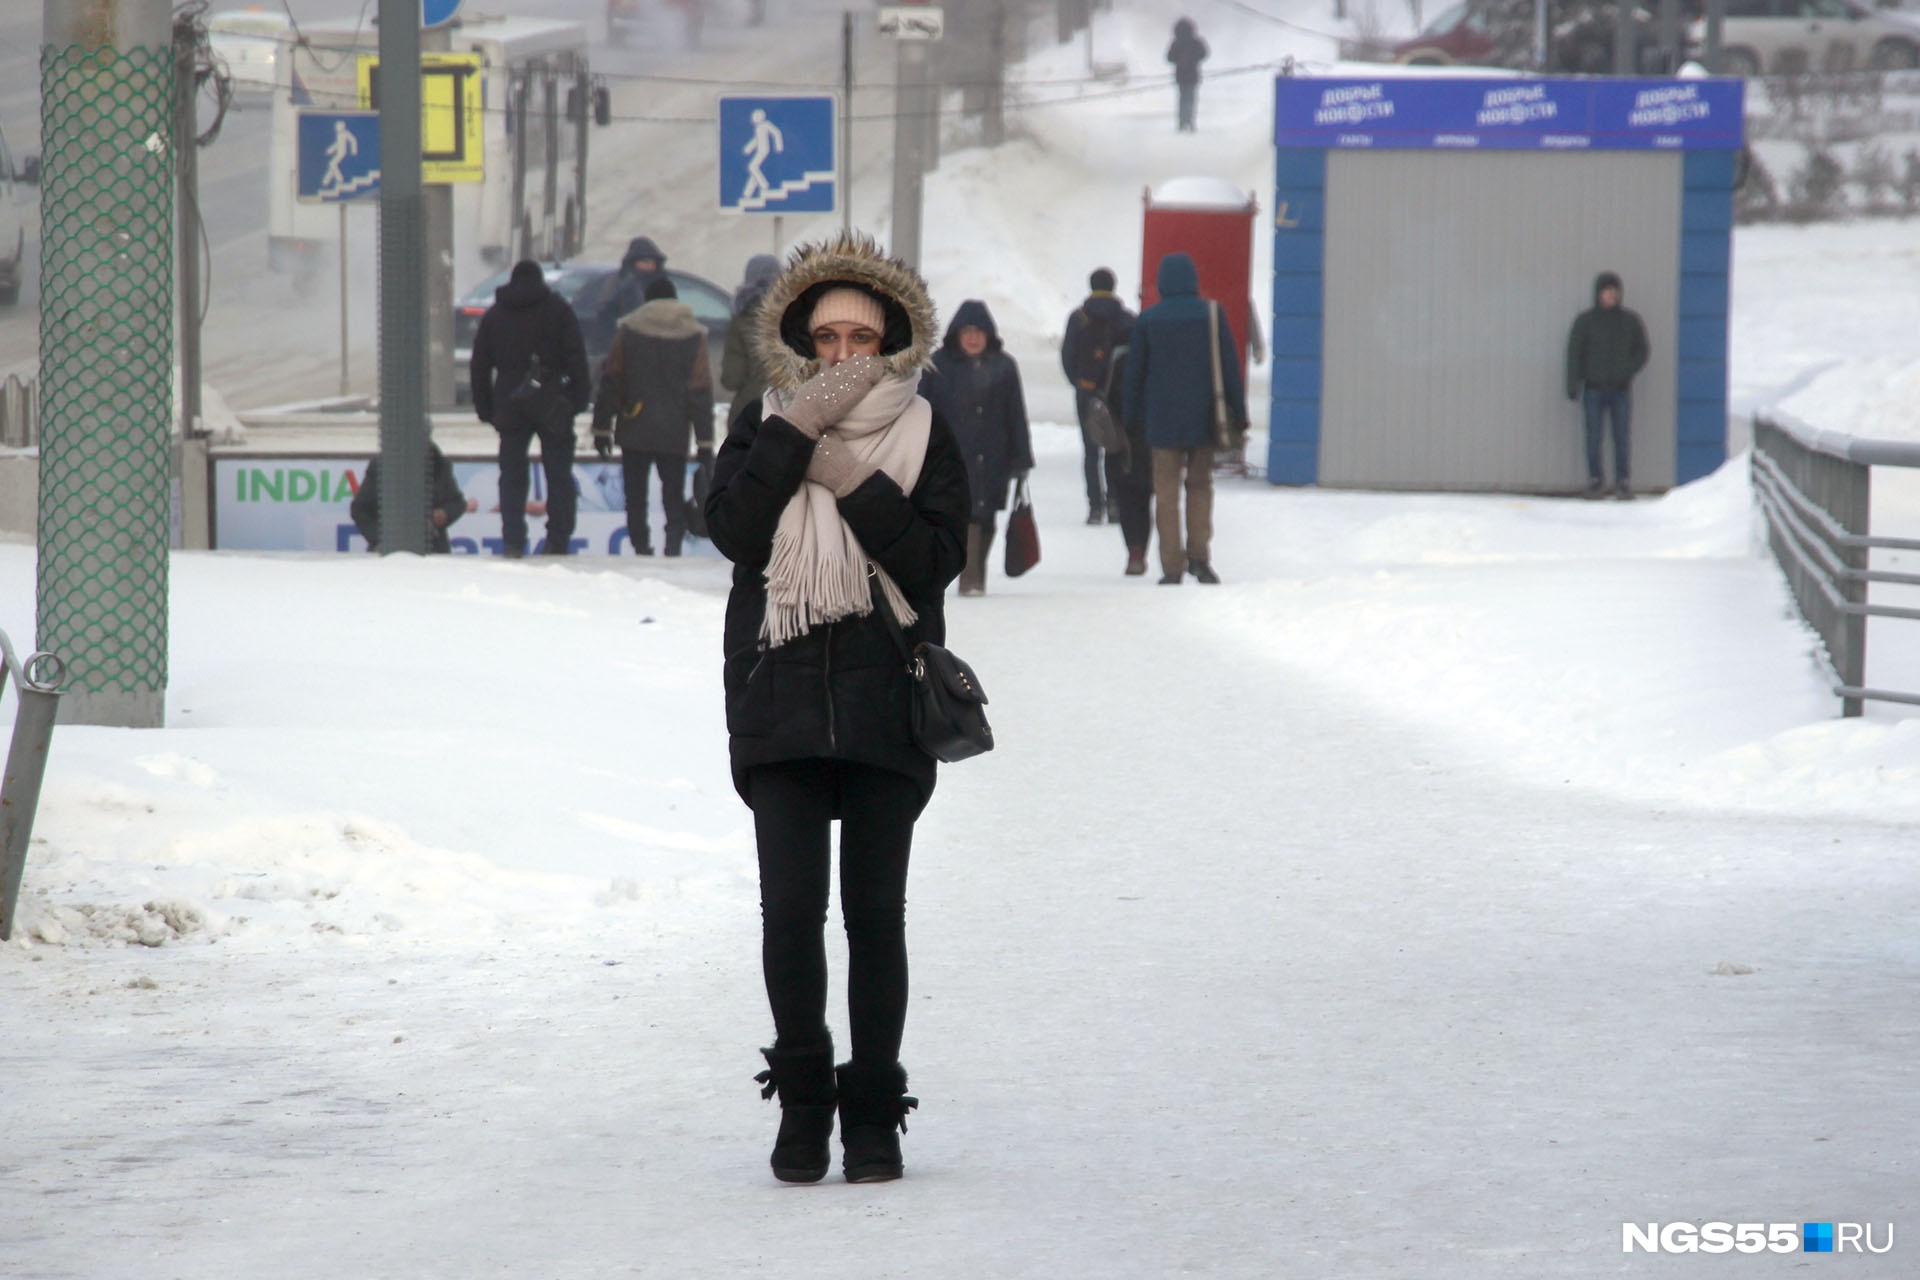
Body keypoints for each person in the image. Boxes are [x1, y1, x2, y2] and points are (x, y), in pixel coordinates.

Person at [703, 230, 969, 1186]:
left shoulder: (928, 431)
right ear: (801, 344)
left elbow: (937, 562)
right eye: (829, 339)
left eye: (863, 337)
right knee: (788, 917)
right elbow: (733, 530)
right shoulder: (760, 420)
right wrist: (792, 438)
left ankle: (872, 1118)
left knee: (874, 918)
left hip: (884, 704)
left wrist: (851, 481)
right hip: (778, 700)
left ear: (893, 340)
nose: (845, 355)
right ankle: (805, 1106)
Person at [1123, 250, 1245, 585]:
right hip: (1205, 419)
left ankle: (1171, 566)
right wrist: (1240, 412)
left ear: (1162, 282)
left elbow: (1134, 373)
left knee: (1165, 493)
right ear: (1193, 280)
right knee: (1200, 487)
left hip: (1161, 422)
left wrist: (1129, 417)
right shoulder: (1211, 313)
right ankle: (1200, 558)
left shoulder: (1148, 319)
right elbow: (1230, 368)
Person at [469, 259, 592, 557]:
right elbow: (577, 358)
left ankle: (513, 540)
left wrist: (486, 408)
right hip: (553, 403)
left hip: (510, 404)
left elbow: (479, 365)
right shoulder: (558, 311)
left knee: (511, 474)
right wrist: (577, 401)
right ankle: (558, 540)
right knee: (559, 475)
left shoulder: (495, 315)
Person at [591, 275, 714, 556]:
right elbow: (700, 389)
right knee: (672, 493)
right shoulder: (694, 335)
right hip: (675, 428)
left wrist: (602, 428)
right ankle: (672, 545)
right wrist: (705, 442)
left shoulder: (629, 331)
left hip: (634, 424)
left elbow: (612, 380)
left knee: (635, 496)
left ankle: (640, 546)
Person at [922, 299, 1033, 597]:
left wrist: (1022, 458)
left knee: (986, 518)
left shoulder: (1004, 365)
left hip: (994, 457)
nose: (972, 338)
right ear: (956, 334)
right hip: (951, 458)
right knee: (965, 517)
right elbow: (921, 411)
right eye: (967, 331)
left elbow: (1015, 414)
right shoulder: (938, 365)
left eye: (978, 332)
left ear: (988, 335)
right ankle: (970, 580)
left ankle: (975, 573)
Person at [1061, 267, 1136, 526]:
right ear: (1113, 286)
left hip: (1087, 391)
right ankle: (1115, 503)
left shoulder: (1077, 318)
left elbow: (1067, 357)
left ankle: (1095, 507)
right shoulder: (1127, 319)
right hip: (1116, 394)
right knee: (1115, 448)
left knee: (1091, 450)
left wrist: (1081, 384)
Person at [1565, 270, 1650, 500]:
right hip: (1593, 389)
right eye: (1607, 292)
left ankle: (1623, 482)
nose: (1611, 296)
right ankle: (1596, 481)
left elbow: (1642, 350)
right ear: (1598, 294)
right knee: (1594, 437)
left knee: (1621, 436)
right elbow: (1575, 354)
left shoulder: (1630, 321)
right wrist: (1573, 385)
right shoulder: (1585, 322)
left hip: (1620, 390)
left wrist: (1627, 371)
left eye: (1615, 292)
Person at [349, 439, 467, 554]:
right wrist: (379, 539)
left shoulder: (439, 465)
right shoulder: (382, 466)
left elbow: (457, 503)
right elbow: (360, 509)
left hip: (433, 551)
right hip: (390, 552)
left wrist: (445, 513)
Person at [1102, 343, 1156, 576]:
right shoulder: (1159, 360)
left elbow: (1105, 397)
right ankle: (1141, 550)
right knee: (1144, 499)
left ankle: (1135, 551)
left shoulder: (1119, 360)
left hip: (1122, 441)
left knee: (1127, 499)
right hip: (1152, 439)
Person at [721, 252, 782, 429]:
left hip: (747, 414)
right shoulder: (794, 316)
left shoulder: (741, 318)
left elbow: (731, 379)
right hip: (785, 412)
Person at [602, 235, 669, 334]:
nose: (650, 266)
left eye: (653, 262)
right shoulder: (621, 284)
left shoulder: (661, 283)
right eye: (645, 261)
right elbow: (606, 312)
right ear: (634, 262)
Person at [1167, 18, 1209, 132]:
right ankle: (1189, 121)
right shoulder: (1195, 41)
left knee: (1182, 99)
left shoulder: (1176, 42)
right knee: (1190, 98)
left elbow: (1169, 58)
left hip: (1181, 75)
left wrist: (1180, 60)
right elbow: (1204, 54)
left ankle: (1183, 122)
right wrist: (1192, 59)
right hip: (1192, 75)